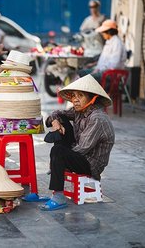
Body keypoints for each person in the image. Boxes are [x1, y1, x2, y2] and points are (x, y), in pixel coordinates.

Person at [40, 74, 115, 211]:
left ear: (92, 98)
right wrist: (56, 122)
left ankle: (59, 197)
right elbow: (57, 113)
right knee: (62, 119)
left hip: (90, 163)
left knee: (57, 151)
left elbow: (82, 148)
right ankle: (57, 171)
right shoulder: (79, 111)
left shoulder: (97, 118)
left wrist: (58, 160)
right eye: (74, 96)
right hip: (80, 154)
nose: (75, 100)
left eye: (80, 96)